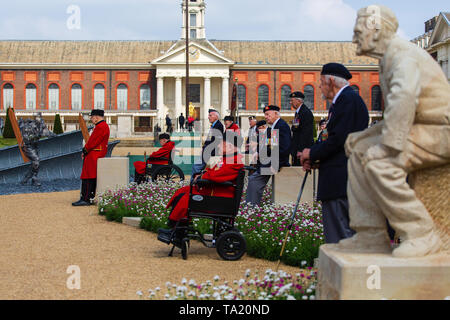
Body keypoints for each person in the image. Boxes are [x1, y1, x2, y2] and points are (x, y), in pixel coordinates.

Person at [339, 5, 450, 257]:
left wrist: (387, 145)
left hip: (441, 131)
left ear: (375, 31)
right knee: (358, 148)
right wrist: (365, 137)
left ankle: (421, 232)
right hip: (423, 128)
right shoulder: (390, 56)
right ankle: (370, 234)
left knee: (381, 163)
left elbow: (404, 98)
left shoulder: (402, 56)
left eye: (358, 31)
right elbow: (398, 112)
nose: (354, 37)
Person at [300, 63, 369, 244]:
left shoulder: (347, 100)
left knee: (340, 241)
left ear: (330, 81)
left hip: (341, 181)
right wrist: (317, 159)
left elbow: (339, 139)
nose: (319, 87)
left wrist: (311, 153)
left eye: (321, 82)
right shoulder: (342, 102)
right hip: (337, 179)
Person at [165, 132, 244, 228]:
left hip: (219, 197)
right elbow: (212, 172)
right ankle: (179, 226)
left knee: (185, 198)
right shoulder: (228, 158)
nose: (218, 146)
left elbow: (215, 176)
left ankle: (177, 228)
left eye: (221, 143)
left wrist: (200, 177)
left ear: (230, 147)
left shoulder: (234, 161)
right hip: (216, 192)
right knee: (182, 191)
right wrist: (202, 175)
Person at [246, 105, 291, 206]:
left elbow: (284, 147)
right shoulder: (275, 126)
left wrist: (274, 163)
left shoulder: (281, 126)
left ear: (276, 114)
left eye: (268, 114)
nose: (266, 117)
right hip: (271, 160)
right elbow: (271, 146)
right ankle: (250, 205)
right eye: (265, 115)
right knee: (253, 176)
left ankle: (251, 206)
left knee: (254, 179)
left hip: (277, 161)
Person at [72, 109, 110, 206]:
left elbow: (93, 141)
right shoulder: (102, 126)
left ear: (96, 117)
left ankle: (86, 198)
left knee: (88, 176)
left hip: (94, 154)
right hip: (96, 153)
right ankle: (90, 197)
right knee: (91, 177)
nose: (91, 119)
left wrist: (85, 150)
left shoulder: (100, 127)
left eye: (92, 117)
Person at [19, 113, 57, 186]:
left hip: (34, 146)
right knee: (36, 161)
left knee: (35, 163)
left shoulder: (41, 125)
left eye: (39, 117)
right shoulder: (29, 126)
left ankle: (27, 179)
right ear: (34, 118)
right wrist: (37, 135)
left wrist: (53, 135)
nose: (38, 118)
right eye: (37, 117)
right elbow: (27, 138)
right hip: (27, 146)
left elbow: (46, 132)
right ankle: (33, 178)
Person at [191, 109, 224, 181]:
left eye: (210, 115)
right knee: (197, 166)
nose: (208, 117)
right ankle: (196, 182)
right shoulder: (214, 125)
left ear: (216, 116)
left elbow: (215, 141)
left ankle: (194, 183)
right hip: (207, 151)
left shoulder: (218, 125)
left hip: (210, 152)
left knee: (196, 166)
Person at [289, 91, 314, 166]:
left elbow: (306, 133)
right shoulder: (298, 113)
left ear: (299, 101)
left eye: (292, 100)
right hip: (296, 149)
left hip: (301, 151)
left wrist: (301, 150)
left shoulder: (305, 112)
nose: (290, 103)